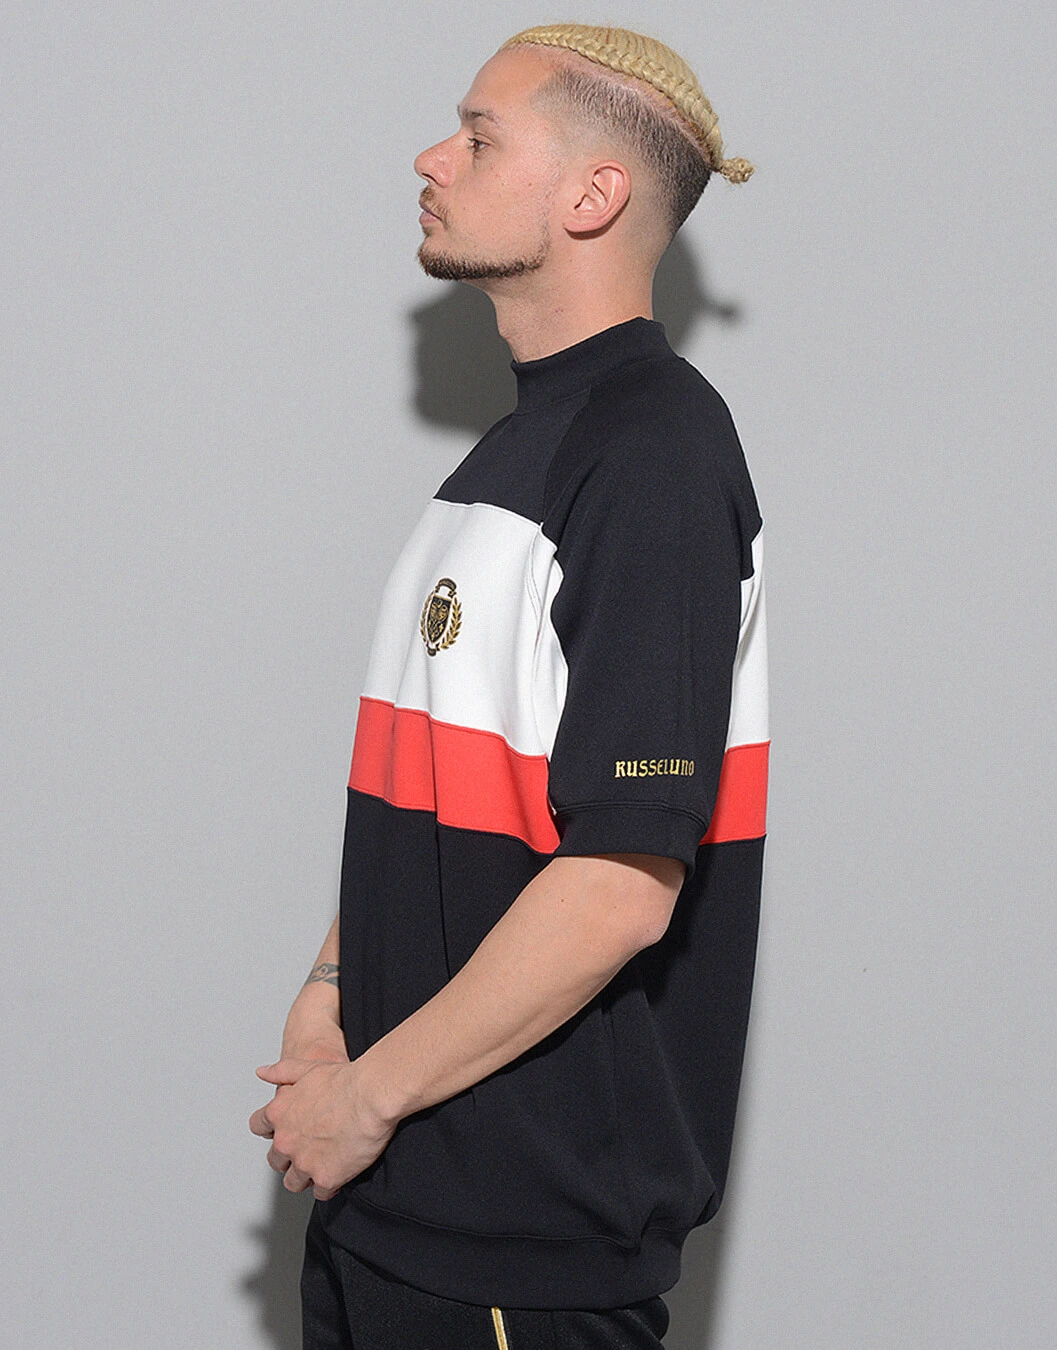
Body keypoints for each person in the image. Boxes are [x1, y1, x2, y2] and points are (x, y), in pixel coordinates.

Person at [249, 21, 768, 1349]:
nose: (433, 157)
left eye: (479, 137)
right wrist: (332, 985)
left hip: (517, 1248)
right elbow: (443, 788)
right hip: (392, 1207)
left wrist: (368, 1096)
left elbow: (622, 883)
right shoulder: (516, 453)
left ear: (594, 194)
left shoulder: (654, 453)